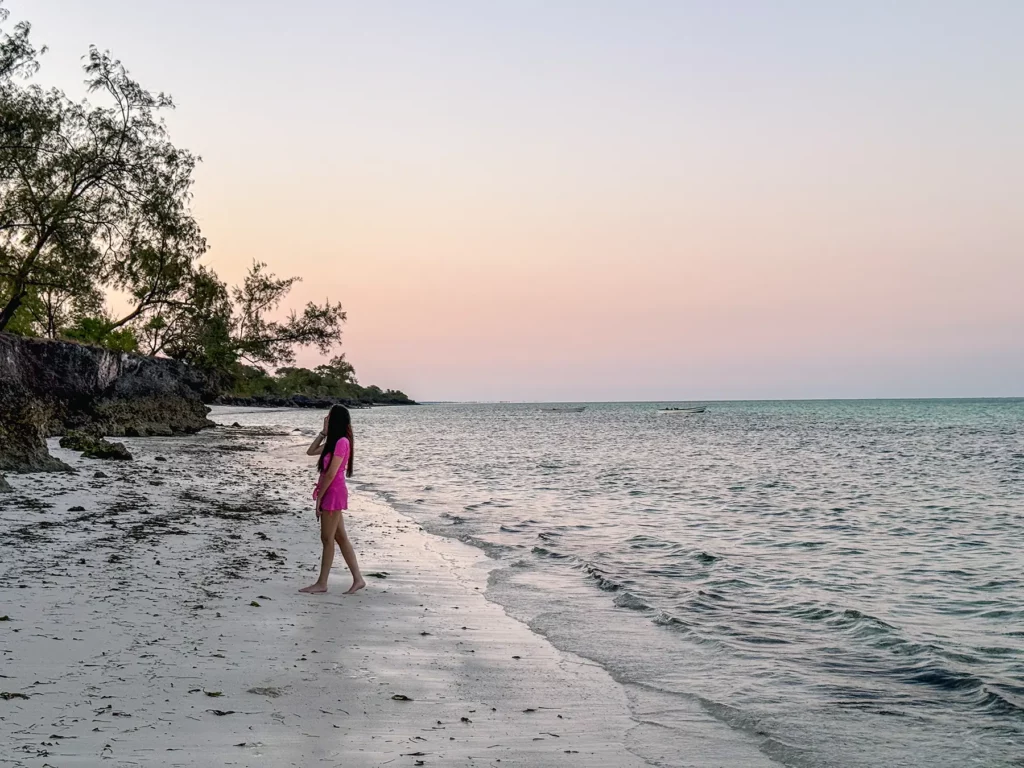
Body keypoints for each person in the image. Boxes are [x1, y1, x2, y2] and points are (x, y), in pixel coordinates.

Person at [300, 405, 366, 595]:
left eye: (328, 417)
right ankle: (358, 579)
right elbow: (310, 451)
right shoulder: (334, 442)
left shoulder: (342, 442)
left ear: (335, 419)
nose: (326, 418)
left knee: (327, 538)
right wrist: (323, 432)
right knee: (340, 537)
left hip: (333, 493)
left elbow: (331, 474)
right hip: (330, 491)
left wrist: (319, 498)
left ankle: (322, 583)